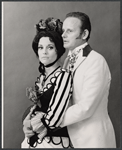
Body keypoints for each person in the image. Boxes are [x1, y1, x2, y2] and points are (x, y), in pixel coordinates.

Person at [60, 12, 116, 148]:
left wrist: (52, 119)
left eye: (69, 31)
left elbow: (86, 107)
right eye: (63, 31)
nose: (63, 35)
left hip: (93, 139)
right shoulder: (67, 60)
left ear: (84, 34)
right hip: (70, 137)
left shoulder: (96, 61)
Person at [21, 17, 73, 148]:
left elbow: (56, 115)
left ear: (58, 50)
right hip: (35, 140)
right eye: (40, 47)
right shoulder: (41, 78)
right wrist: (27, 122)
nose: (44, 52)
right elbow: (39, 107)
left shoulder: (63, 76)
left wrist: (35, 124)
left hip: (53, 142)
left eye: (50, 47)